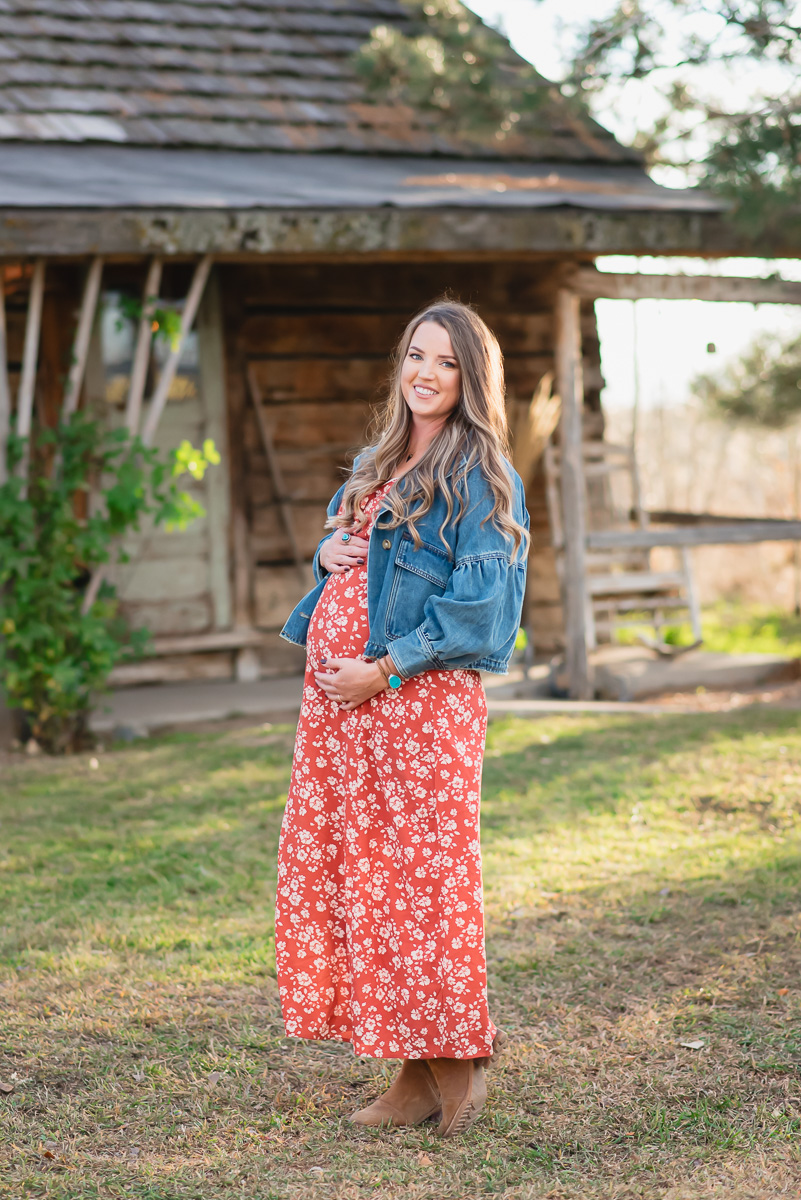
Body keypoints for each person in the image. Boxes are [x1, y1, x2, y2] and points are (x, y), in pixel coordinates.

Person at [276, 299, 530, 1137]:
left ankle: (455, 1058)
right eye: (417, 355)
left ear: (471, 379)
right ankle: (411, 1073)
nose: (426, 373)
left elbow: (481, 611)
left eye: (447, 362)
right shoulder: (377, 460)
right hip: (342, 714)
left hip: (415, 709)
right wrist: (326, 553)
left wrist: (382, 670)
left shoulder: (481, 476)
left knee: (423, 885)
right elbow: (352, 559)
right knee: (369, 882)